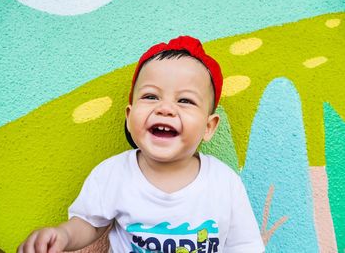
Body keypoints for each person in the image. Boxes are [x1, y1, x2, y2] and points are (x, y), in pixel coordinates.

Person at [18, 36, 265, 253]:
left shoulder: (224, 183)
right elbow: (88, 223)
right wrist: (63, 234)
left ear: (208, 127)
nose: (165, 108)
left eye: (185, 100)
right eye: (150, 96)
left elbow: (244, 245)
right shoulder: (113, 174)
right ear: (129, 115)